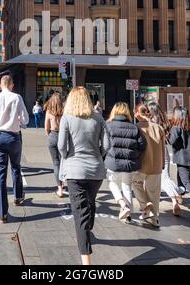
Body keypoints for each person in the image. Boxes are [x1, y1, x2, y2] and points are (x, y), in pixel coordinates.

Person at [58, 87, 110, 266]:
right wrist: (98, 156)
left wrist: (68, 157)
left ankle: (86, 261)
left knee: (80, 214)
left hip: (74, 170)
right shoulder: (98, 118)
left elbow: (61, 146)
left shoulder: (67, 118)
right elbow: (107, 145)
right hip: (96, 169)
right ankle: (88, 229)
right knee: (90, 202)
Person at [0, 75, 29, 223]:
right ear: (11, 85)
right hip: (14, 137)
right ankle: (18, 197)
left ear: (1, 85)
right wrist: (18, 121)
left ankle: (3, 213)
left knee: (1, 175)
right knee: (16, 167)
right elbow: (26, 119)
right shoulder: (17, 98)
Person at [105, 102, 146, 223]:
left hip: (113, 162)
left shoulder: (108, 125)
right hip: (130, 163)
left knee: (112, 182)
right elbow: (142, 145)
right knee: (127, 186)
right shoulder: (134, 127)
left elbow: (104, 144)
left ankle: (123, 205)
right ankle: (128, 216)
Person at [147, 102, 185, 217]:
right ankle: (176, 197)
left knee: (151, 178)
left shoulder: (149, 122)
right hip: (164, 151)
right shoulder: (164, 122)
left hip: (152, 151)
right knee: (165, 177)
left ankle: (175, 194)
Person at [133, 103, 166, 228]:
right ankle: (155, 218)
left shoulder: (137, 127)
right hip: (156, 165)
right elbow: (163, 149)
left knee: (135, 183)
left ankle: (146, 206)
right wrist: (162, 164)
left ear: (137, 113)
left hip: (141, 164)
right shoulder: (158, 128)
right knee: (154, 192)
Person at [44, 93, 64, 198]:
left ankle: (60, 188)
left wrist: (49, 136)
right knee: (65, 161)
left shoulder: (49, 111)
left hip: (53, 135)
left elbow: (46, 128)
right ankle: (66, 182)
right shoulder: (65, 111)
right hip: (63, 136)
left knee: (56, 163)